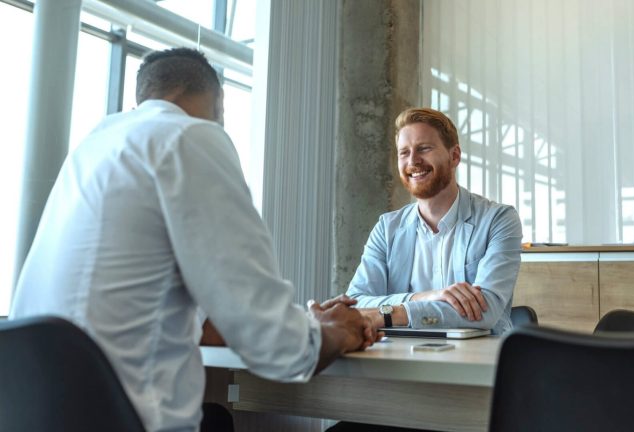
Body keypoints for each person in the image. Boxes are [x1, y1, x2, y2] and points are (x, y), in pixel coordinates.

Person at [10, 48, 376, 432]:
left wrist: (304, 320)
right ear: (217, 102)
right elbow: (276, 346)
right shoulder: (190, 135)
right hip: (127, 417)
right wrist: (340, 331)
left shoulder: (93, 151)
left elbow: (205, 323)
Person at [346, 108, 523, 334]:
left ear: (454, 156)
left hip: (479, 359)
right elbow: (356, 303)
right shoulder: (386, 228)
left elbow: (485, 312)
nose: (413, 161)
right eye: (404, 152)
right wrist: (427, 297)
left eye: (424, 148)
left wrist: (395, 313)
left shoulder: (498, 220)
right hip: (399, 355)